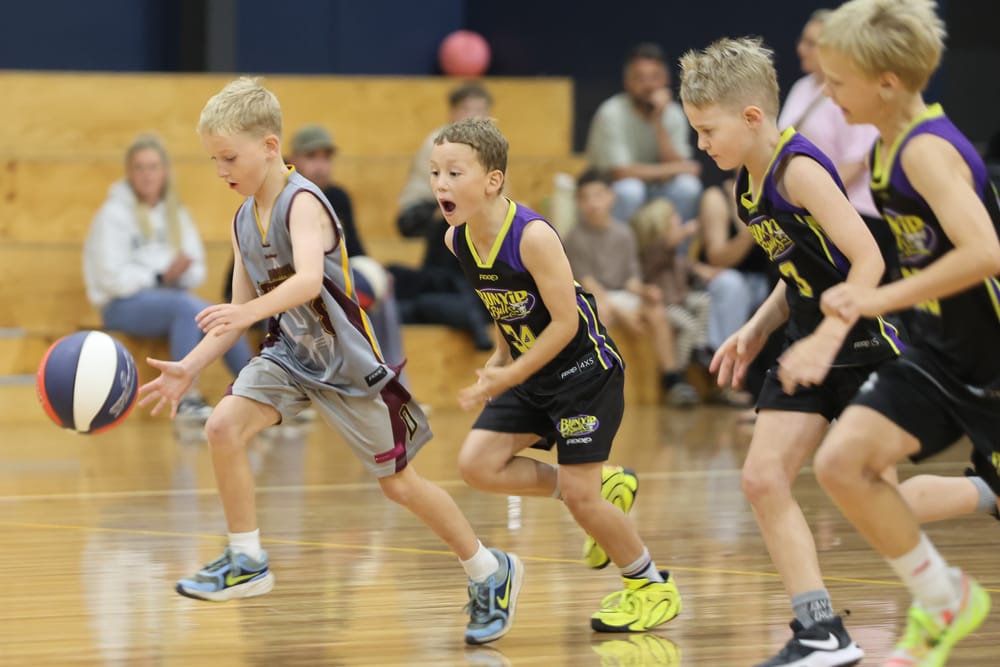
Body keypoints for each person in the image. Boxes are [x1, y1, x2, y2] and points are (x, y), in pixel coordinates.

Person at [136, 78, 523, 646]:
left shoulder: (305, 202)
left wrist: (244, 319)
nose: (220, 169)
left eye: (228, 157)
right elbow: (238, 312)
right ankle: (246, 559)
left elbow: (308, 281)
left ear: (269, 147)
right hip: (291, 356)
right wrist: (190, 366)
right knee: (222, 425)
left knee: (401, 486)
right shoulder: (243, 220)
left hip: (347, 365)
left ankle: (489, 570)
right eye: (213, 159)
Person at [680, 36, 905, 666]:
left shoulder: (799, 169)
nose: (702, 145)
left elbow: (868, 258)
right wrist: (754, 329)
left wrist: (832, 334)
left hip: (859, 345)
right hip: (805, 343)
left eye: (707, 130)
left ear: (752, 117)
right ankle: (819, 630)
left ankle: (986, 492)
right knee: (761, 479)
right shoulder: (745, 189)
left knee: (873, 494)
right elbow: (797, 270)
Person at [432, 117, 681, 634]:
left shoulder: (533, 236)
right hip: (530, 371)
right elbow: (503, 309)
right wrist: (499, 362)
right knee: (478, 464)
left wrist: (509, 374)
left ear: (492, 180)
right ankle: (600, 486)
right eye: (435, 173)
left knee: (583, 497)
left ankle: (651, 586)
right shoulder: (458, 239)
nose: (441, 184)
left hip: (583, 373)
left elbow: (566, 324)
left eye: (454, 172)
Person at [812, 1, 1000, 663]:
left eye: (836, 81)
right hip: (940, 352)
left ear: (887, 81)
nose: (826, 93)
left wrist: (877, 297)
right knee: (841, 462)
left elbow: (984, 252)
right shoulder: (891, 144)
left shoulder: (924, 150)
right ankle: (942, 595)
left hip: (991, 360)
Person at [83, 133, 253, 422]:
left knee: (222, 317)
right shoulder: (112, 215)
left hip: (169, 299)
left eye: (153, 167)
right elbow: (112, 279)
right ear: (130, 173)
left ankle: (257, 393)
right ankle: (186, 398)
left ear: (164, 172)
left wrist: (174, 276)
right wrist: (160, 276)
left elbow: (196, 268)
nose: (147, 175)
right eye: (139, 167)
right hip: (120, 306)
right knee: (184, 308)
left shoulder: (177, 213)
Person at [564, 168, 699, 406]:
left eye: (598, 195)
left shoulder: (624, 233)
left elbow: (631, 280)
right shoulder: (574, 238)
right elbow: (589, 285)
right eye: (585, 197)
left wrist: (645, 291)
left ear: (611, 197)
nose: (592, 203)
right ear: (578, 202)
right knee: (601, 311)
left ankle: (672, 379)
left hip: (620, 294)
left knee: (656, 309)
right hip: (596, 297)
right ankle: (598, 383)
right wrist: (622, 314)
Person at [285, 123, 407, 382]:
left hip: (332, 286)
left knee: (383, 290)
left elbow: (356, 252)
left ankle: (393, 381)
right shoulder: (281, 197)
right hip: (290, 286)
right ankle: (295, 387)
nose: (321, 166)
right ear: (293, 159)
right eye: (311, 157)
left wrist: (376, 273)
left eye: (326, 157)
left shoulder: (338, 197)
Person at [391, 82, 495, 350]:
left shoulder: (491, 146)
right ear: (452, 114)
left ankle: (468, 295)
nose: (473, 116)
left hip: (462, 213)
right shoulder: (441, 143)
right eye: (466, 109)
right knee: (455, 216)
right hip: (423, 213)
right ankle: (459, 292)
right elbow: (446, 190)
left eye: (480, 110)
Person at [586, 42, 703, 223]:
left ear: (666, 81)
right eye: (639, 78)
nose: (648, 85)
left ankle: (679, 251)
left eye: (655, 77)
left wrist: (658, 122)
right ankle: (623, 251)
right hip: (610, 188)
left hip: (658, 188)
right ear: (627, 82)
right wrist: (675, 168)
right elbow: (621, 172)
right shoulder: (611, 112)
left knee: (689, 187)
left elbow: (681, 168)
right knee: (631, 190)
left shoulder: (673, 113)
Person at [629, 198, 712, 394]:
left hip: (681, 298)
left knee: (703, 301)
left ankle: (698, 347)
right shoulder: (655, 250)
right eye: (673, 218)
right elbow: (668, 242)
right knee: (688, 325)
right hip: (666, 303)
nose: (678, 220)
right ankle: (680, 369)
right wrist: (688, 230)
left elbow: (688, 266)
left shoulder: (673, 254)